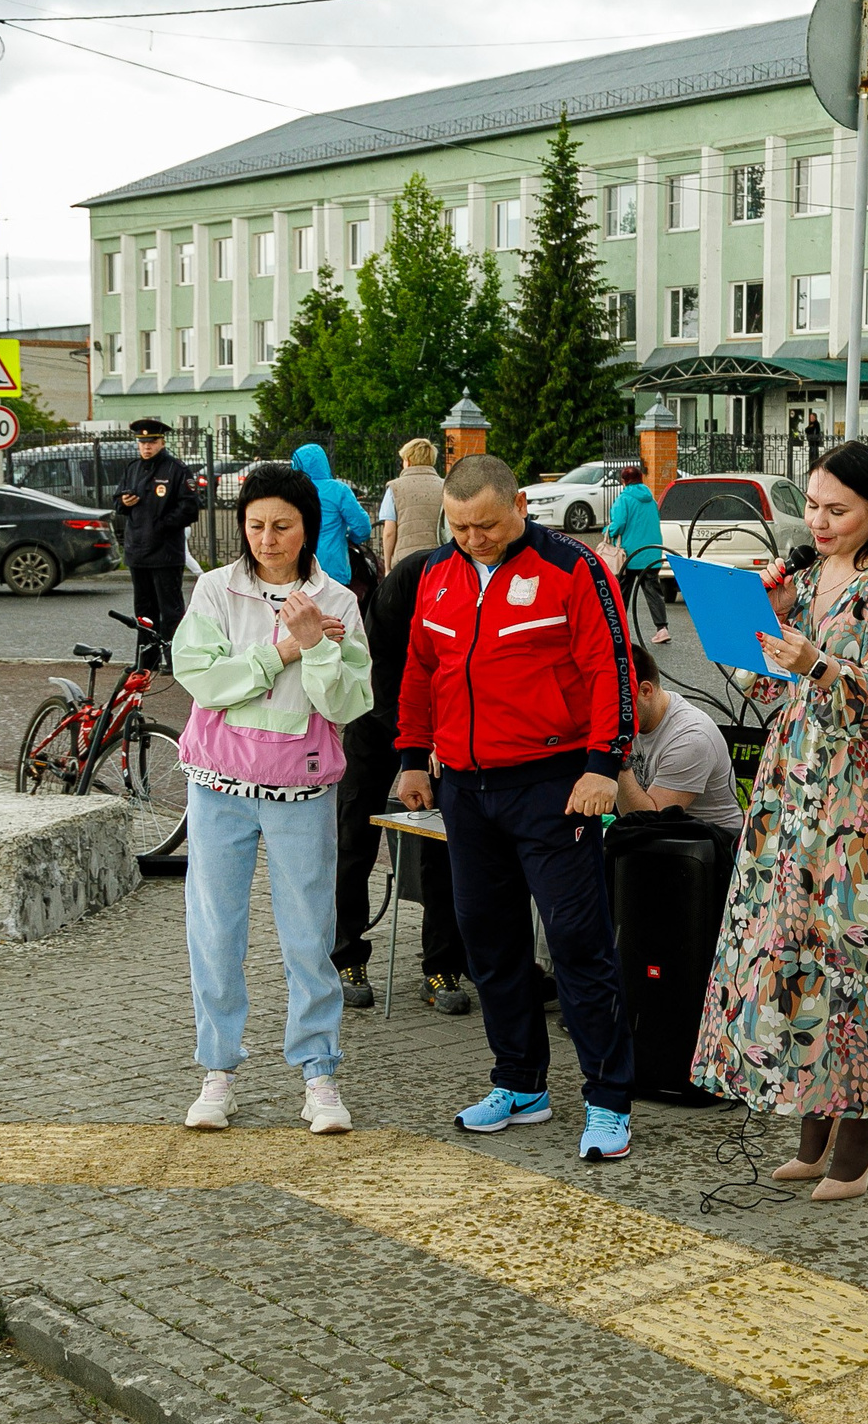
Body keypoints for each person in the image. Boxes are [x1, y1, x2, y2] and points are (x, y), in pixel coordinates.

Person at [694, 440, 868, 1201]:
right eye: (814, 507)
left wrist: (815, 664)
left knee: (855, 959)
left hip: (860, 800)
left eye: (838, 509)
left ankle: (859, 1138)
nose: (820, 522)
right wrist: (756, 628)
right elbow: (764, 691)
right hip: (789, 791)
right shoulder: (800, 578)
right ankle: (811, 1121)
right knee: (791, 954)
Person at [393, 454, 639, 1161]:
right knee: (490, 943)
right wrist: (411, 755)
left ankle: (609, 1099)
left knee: (577, 943)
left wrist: (603, 766)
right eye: (460, 527)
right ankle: (520, 1082)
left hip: (553, 786)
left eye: (488, 525)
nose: (474, 539)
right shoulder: (436, 574)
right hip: (466, 790)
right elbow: (421, 669)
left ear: (521, 506)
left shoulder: (573, 568)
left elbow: (611, 667)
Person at [177, 464, 374, 1135]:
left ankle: (319, 1074)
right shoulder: (215, 588)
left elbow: (347, 702)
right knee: (214, 931)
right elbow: (204, 681)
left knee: (309, 935)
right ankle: (218, 1071)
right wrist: (282, 651)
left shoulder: (337, 600)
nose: (267, 538)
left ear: (307, 528)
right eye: (256, 524)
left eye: (282, 526)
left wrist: (315, 647)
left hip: (302, 789)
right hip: (218, 787)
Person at [330, 546, 471, 1015]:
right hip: (378, 717)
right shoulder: (413, 575)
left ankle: (442, 965)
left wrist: (443, 737)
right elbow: (376, 664)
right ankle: (345, 956)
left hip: (444, 734)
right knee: (353, 838)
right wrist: (413, 739)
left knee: (442, 845)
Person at [617, 641, 742, 834]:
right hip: (672, 834)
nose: (608, 713)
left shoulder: (690, 738)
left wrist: (615, 755)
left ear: (646, 691)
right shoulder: (642, 715)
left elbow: (648, 824)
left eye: (616, 703)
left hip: (712, 840)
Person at [115, 419, 200, 671]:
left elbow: (190, 508)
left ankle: (175, 661)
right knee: (144, 612)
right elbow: (118, 502)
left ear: (162, 442)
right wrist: (124, 502)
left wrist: (161, 524)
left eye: (151, 442)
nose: (146, 447)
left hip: (165, 553)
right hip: (137, 551)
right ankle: (146, 662)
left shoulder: (176, 469)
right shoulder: (132, 468)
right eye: (142, 442)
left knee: (170, 611)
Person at [291, 443, 372, 592]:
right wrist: (350, 537)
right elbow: (362, 527)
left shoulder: (292, 491)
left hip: (297, 565)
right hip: (333, 566)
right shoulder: (338, 490)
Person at [602, 462, 667, 642]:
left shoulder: (623, 500)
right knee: (653, 591)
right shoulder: (651, 500)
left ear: (624, 481)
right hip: (651, 552)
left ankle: (617, 630)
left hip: (629, 555)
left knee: (622, 593)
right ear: (641, 479)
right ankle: (662, 629)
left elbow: (618, 524)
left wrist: (607, 531)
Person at [380, 437, 445, 569]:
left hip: (405, 561)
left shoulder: (395, 488)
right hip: (440, 559)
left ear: (408, 461)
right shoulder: (445, 486)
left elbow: (389, 532)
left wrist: (387, 567)